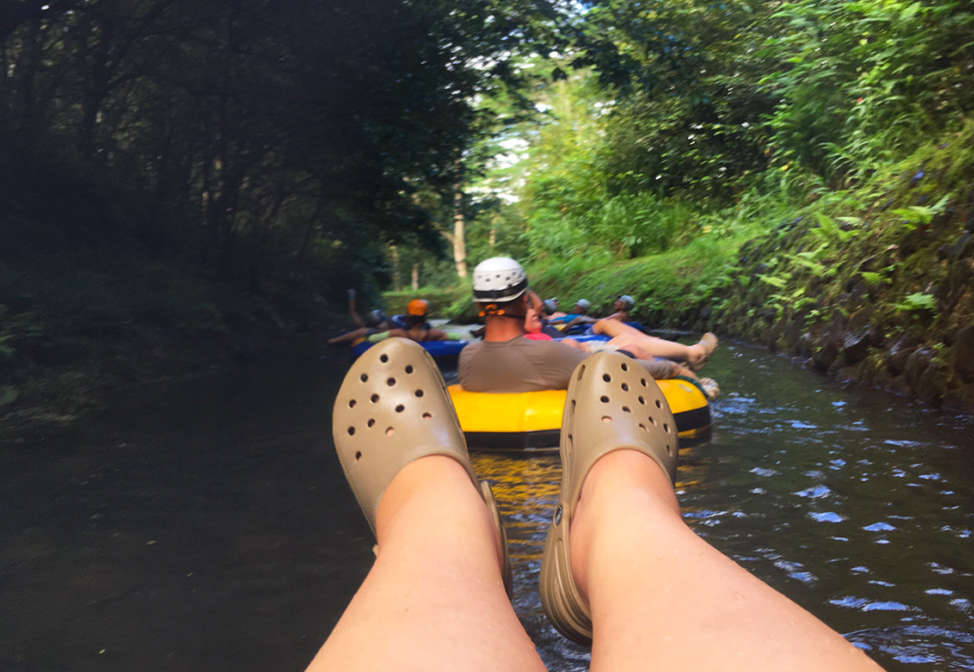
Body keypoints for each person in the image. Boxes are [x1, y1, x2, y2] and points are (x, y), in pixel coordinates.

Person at [310, 338, 886, 672]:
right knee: (640, 525)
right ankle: (612, 507)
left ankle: (446, 517)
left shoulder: (472, 357)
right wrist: (675, 369)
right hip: (588, 364)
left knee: (426, 548)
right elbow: (596, 355)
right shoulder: (554, 350)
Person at [458, 257, 701, 392]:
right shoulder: (548, 354)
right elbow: (620, 371)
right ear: (524, 302)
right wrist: (672, 369)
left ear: (479, 307)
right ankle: (693, 357)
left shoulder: (467, 357)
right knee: (638, 354)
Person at [327, 298, 452, 346]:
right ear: (425, 316)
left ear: (408, 315)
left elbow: (370, 338)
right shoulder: (434, 333)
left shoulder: (397, 333)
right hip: (425, 341)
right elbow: (456, 337)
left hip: (391, 337)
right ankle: (352, 310)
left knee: (363, 331)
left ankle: (332, 341)